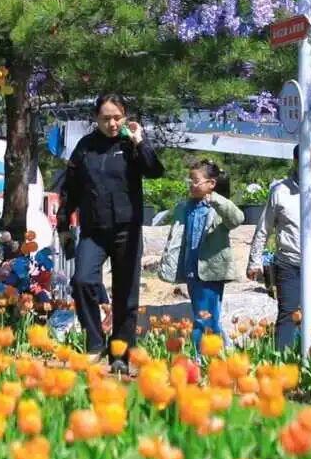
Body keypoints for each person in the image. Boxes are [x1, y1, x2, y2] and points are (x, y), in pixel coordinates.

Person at [57, 93, 165, 373]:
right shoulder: (85, 147)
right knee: (82, 280)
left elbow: (155, 171)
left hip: (127, 230)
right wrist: (63, 225)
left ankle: (120, 355)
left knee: (125, 293)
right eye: (106, 118)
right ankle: (95, 342)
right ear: (96, 118)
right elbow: (69, 189)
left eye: (117, 118)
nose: (112, 124)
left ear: (125, 117)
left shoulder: (131, 145)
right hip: (93, 230)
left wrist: (140, 141)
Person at [247, 143, 311, 351]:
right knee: (287, 313)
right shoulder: (280, 191)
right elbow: (264, 228)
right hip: (289, 264)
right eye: (310, 162)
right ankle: (283, 361)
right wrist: (254, 260)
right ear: (296, 162)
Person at [158, 160, 244, 356]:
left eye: (195, 180)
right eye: (190, 179)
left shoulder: (218, 208)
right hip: (191, 269)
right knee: (201, 314)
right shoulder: (185, 207)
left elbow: (237, 218)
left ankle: (205, 356)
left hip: (211, 271)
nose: (191, 184)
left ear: (211, 183)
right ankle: (212, 355)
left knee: (205, 317)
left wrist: (216, 199)